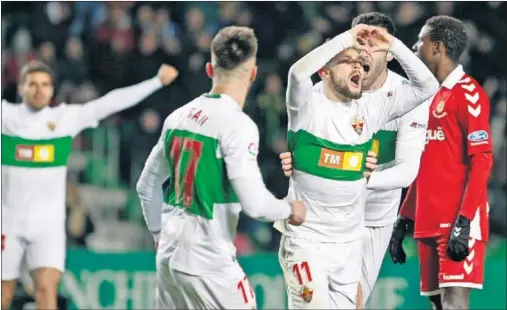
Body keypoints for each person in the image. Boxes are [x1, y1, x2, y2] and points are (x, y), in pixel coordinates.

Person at [136, 25, 306, 310]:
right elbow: (256, 205)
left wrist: (158, 234)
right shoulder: (238, 125)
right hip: (209, 262)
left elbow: (146, 186)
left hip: (169, 258)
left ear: (208, 70)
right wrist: (290, 209)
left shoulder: (178, 117)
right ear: (253, 74)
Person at [273, 23, 439, 309]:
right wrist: (346, 39)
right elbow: (297, 73)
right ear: (325, 70)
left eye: (361, 64)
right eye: (348, 62)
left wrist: (393, 45)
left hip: (348, 246)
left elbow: (428, 86)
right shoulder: (307, 106)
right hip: (306, 241)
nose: (359, 69)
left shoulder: (370, 110)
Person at [1, 60, 179, 310]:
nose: (39, 90)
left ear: (52, 90)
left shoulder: (63, 119)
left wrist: (156, 82)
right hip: (8, 221)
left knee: (46, 289)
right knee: (4, 293)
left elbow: (110, 102)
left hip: (47, 225)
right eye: (32, 84)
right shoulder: (6, 117)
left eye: (45, 84)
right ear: (21, 88)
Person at [389, 15, 493, 310]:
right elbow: (425, 163)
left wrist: (464, 221)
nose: (415, 46)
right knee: (438, 304)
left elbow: (482, 160)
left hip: (458, 221)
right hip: (427, 220)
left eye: (420, 41)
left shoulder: (468, 93)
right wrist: (404, 218)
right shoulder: (427, 97)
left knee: (454, 303)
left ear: (437, 48)